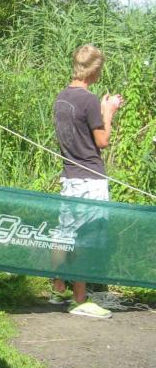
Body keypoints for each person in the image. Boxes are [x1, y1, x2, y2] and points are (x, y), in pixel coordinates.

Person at [50, 44, 123, 319]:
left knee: (65, 234)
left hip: (69, 176)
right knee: (86, 238)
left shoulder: (61, 98)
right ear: (94, 71)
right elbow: (102, 141)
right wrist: (109, 112)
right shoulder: (89, 100)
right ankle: (79, 299)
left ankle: (58, 288)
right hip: (90, 178)